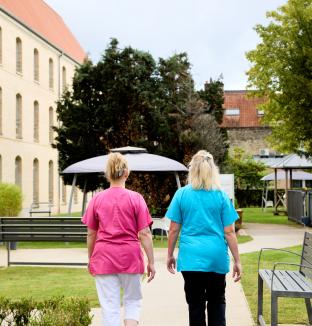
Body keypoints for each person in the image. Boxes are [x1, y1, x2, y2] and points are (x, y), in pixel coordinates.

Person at [166, 150, 241, 326]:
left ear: (192, 170)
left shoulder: (182, 195)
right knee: (217, 302)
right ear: (212, 170)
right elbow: (229, 232)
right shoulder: (221, 196)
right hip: (216, 257)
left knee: (195, 306)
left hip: (191, 259)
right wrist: (237, 260)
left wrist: (170, 255)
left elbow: (173, 230)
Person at [82, 152, 155, 326]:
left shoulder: (97, 199)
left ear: (108, 174)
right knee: (132, 302)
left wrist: (91, 259)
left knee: (109, 307)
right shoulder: (136, 199)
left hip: (104, 258)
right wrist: (151, 262)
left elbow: (92, 233)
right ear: (126, 173)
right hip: (130, 257)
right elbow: (144, 233)